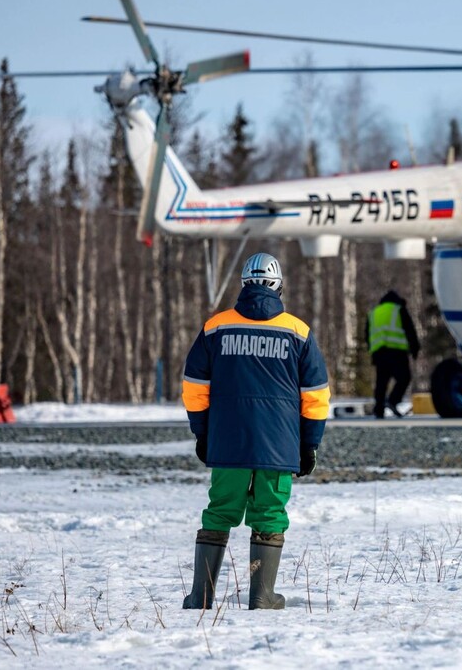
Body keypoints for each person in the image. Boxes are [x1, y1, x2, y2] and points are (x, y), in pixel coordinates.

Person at [180, 253, 330, 610]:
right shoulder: (299, 331)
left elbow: (194, 387)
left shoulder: (215, 327)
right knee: (269, 513)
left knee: (219, 511)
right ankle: (262, 596)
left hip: (228, 444)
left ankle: (202, 596)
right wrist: (309, 446)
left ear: (244, 282)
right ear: (278, 285)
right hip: (279, 447)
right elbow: (316, 397)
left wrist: (203, 435)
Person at [365, 290, 421, 419]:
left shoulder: (374, 312)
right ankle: (393, 400)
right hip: (397, 351)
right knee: (404, 378)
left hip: (379, 352)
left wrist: (371, 349)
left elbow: (367, 333)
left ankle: (379, 410)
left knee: (381, 382)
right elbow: (409, 329)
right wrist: (415, 348)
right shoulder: (398, 309)